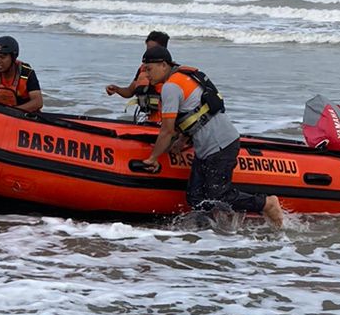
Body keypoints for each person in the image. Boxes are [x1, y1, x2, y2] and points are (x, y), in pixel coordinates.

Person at [128, 47, 284, 227]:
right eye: (144, 69)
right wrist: (182, 141)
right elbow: (194, 113)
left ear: (163, 65)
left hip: (220, 145)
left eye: (149, 69)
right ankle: (211, 232)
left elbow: (167, 131)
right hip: (208, 147)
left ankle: (267, 203)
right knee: (195, 196)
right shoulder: (183, 77)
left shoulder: (171, 86)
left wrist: (153, 158)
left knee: (218, 194)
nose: (146, 74)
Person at [106, 30, 172, 121]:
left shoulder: (171, 73)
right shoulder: (143, 70)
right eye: (147, 49)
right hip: (149, 120)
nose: (148, 52)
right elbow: (129, 92)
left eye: (152, 50)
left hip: (166, 122)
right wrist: (116, 89)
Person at [0, 35, 43, 113]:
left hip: (25, 116)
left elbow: (38, 102)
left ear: (13, 57)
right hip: (1, 114)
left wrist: (12, 112)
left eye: (2, 57)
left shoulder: (27, 73)